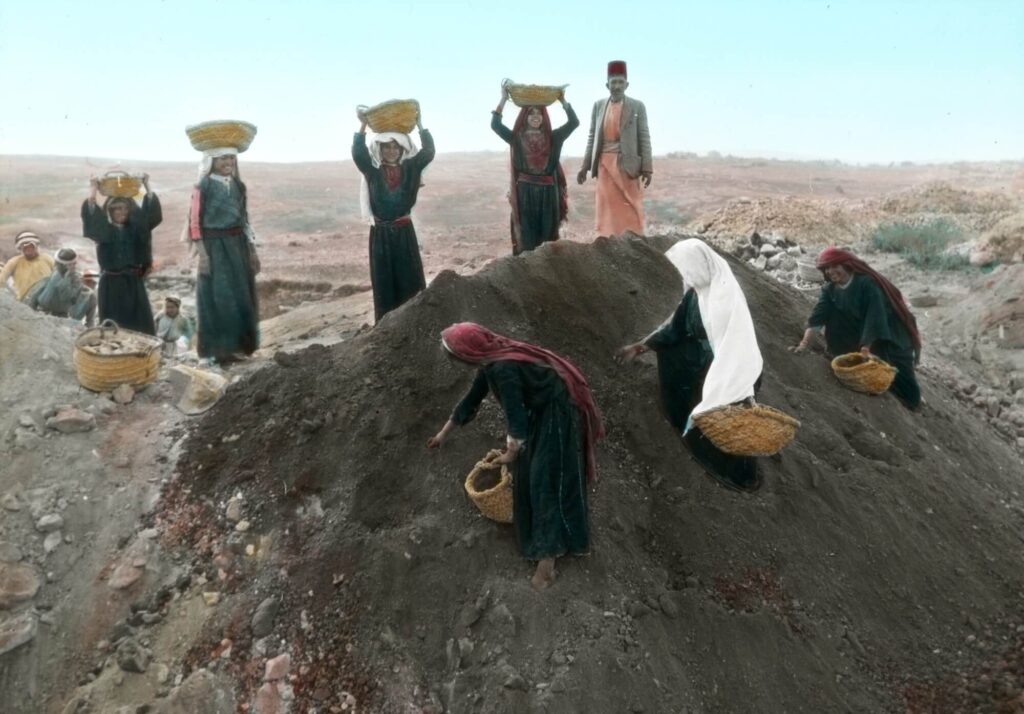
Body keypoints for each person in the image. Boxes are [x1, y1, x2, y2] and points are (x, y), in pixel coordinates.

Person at [427, 322, 604, 591]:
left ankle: (547, 566)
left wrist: (510, 452)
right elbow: (471, 400)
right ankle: (548, 544)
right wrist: (443, 434)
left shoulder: (503, 368)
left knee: (544, 480)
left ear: (467, 353)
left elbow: (516, 417)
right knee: (535, 474)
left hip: (558, 412)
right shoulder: (491, 362)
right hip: (542, 410)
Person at [618, 239, 764, 492]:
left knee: (721, 417)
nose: (685, 275)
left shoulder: (723, 297)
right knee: (671, 353)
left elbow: (734, 350)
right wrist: (642, 346)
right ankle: (680, 417)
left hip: (726, 368)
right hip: (704, 360)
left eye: (687, 269)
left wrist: (735, 387)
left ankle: (732, 469)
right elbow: (675, 326)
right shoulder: (697, 294)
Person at [792, 247, 922, 410]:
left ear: (846, 265)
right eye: (827, 268)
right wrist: (804, 344)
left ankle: (913, 404)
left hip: (890, 331)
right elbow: (818, 317)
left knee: (899, 371)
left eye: (834, 266)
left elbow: (875, 317)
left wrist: (866, 347)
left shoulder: (867, 284)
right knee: (834, 317)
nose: (831, 272)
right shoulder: (830, 290)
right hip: (862, 329)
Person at [353, 110, 435, 322]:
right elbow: (358, 153)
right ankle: (387, 330)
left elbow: (428, 151)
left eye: (395, 147)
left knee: (410, 282)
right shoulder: (372, 171)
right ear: (380, 149)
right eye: (386, 146)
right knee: (384, 284)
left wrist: (420, 125)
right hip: (380, 236)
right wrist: (362, 126)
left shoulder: (411, 168)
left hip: (404, 234)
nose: (391, 151)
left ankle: (414, 325)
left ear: (401, 149)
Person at [187, 149, 261, 363]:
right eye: (222, 158)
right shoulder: (203, 186)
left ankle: (239, 347)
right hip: (214, 247)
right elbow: (194, 222)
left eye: (231, 158)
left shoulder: (238, 186)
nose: (228, 162)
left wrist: (252, 251)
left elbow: (244, 220)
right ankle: (220, 352)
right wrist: (203, 255)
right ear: (212, 161)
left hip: (237, 246)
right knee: (220, 297)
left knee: (241, 296)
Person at [491, 87, 579, 254]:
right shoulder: (516, 138)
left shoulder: (554, 138)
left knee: (547, 240)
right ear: (525, 117)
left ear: (544, 116)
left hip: (548, 194)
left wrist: (563, 101)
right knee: (527, 239)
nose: (536, 117)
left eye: (539, 113)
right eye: (531, 113)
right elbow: (495, 125)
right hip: (525, 193)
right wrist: (503, 99)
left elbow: (574, 122)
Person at [577, 60, 652, 238]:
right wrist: (585, 166)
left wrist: (647, 168)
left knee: (631, 211)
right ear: (607, 85)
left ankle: (634, 245)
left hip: (628, 166)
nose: (617, 86)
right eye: (613, 82)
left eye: (620, 82)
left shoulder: (638, 106)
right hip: (604, 166)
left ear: (627, 84)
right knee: (606, 212)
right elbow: (592, 137)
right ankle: (606, 246)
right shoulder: (598, 106)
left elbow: (644, 137)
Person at [82, 174, 160, 334]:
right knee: (114, 327)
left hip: (133, 283)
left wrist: (147, 185)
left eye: (125, 208)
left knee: (139, 324)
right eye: (117, 208)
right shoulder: (103, 231)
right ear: (110, 211)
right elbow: (91, 214)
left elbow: (150, 215)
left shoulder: (136, 230)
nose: (122, 212)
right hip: (110, 285)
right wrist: (93, 188)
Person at [24, 247, 96, 326]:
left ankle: (90, 324)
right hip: (45, 312)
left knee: (91, 296)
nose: (75, 265)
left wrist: (71, 277)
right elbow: (65, 296)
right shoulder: (56, 277)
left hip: (62, 314)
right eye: (73, 264)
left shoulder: (74, 278)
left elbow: (71, 294)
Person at [1, 232, 55, 300]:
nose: (29, 250)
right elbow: (2, 279)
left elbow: (58, 277)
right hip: (25, 301)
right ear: (21, 249)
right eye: (25, 248)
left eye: (31, 247)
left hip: (45, 299)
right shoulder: (14, 262)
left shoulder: (47, 258)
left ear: (36, 246)